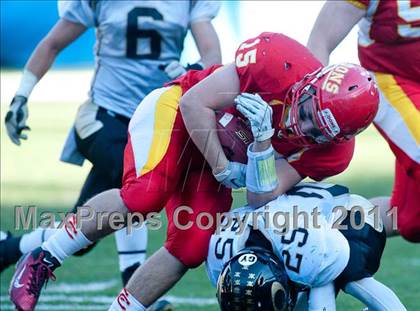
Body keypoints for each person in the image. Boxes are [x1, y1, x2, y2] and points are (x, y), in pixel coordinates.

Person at [9, 32, 379, 311]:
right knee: (145, 195)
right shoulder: (278, 61)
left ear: (339, 137)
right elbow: (194, 102)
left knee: (192, 246)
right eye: (311, 109)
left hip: (216, 158)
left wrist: (263, 145)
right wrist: (222, 165)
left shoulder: (333, 154)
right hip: (178, 116)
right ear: (312, 83)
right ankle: (46, 255)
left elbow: (260, 196)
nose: (304, 123)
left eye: (318, 129)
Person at [1, 0, 222, 287]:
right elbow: (52, 43)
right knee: (141, 184)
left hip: (151, 124)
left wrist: (194, 69)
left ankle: (8, 248)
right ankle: (133, 279)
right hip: (103, 115)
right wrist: (21, 96)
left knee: (83, 232)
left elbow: (212, 55)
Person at [307, 0, 420, 242]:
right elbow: (321, 40)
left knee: (409, 219)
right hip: (394, 80)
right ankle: (300, 233)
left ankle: (311, 231)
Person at [210, 182, 406, 311]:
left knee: (350, 278)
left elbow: (322, 281)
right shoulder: (223, 255)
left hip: (350, 216)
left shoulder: (299, 248)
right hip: (307, 230)